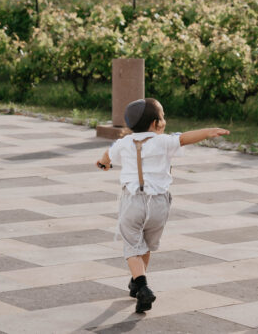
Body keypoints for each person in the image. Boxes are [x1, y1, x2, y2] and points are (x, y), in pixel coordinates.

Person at [96, 97, 229, 313]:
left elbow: (106, 156)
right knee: (145, 245)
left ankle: (142, 286)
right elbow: (184, 139)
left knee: (132, 246)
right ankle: (137, 281)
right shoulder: (163, 141)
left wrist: (104, 164)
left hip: (132, 202)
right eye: (163, 116)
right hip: (159, 203)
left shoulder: (123, 143)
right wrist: (207, 131)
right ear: (156, 123)